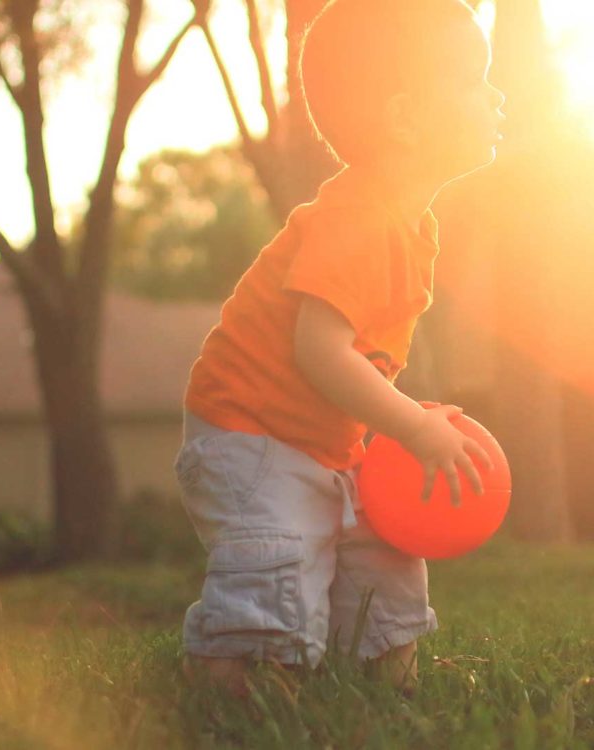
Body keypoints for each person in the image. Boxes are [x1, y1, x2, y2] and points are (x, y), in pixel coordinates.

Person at [175, 0, 506, 696]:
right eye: (474, 79)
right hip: (251, 430)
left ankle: (384, 669)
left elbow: (359, 360)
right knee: (282, 552)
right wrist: (412, 424)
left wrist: (397, 421)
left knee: (380, 543)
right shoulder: (356, 217)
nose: (494, 94)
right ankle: (239, 670)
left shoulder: (408, 223)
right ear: (406, 118)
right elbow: (319, 355)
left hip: (321, 434)